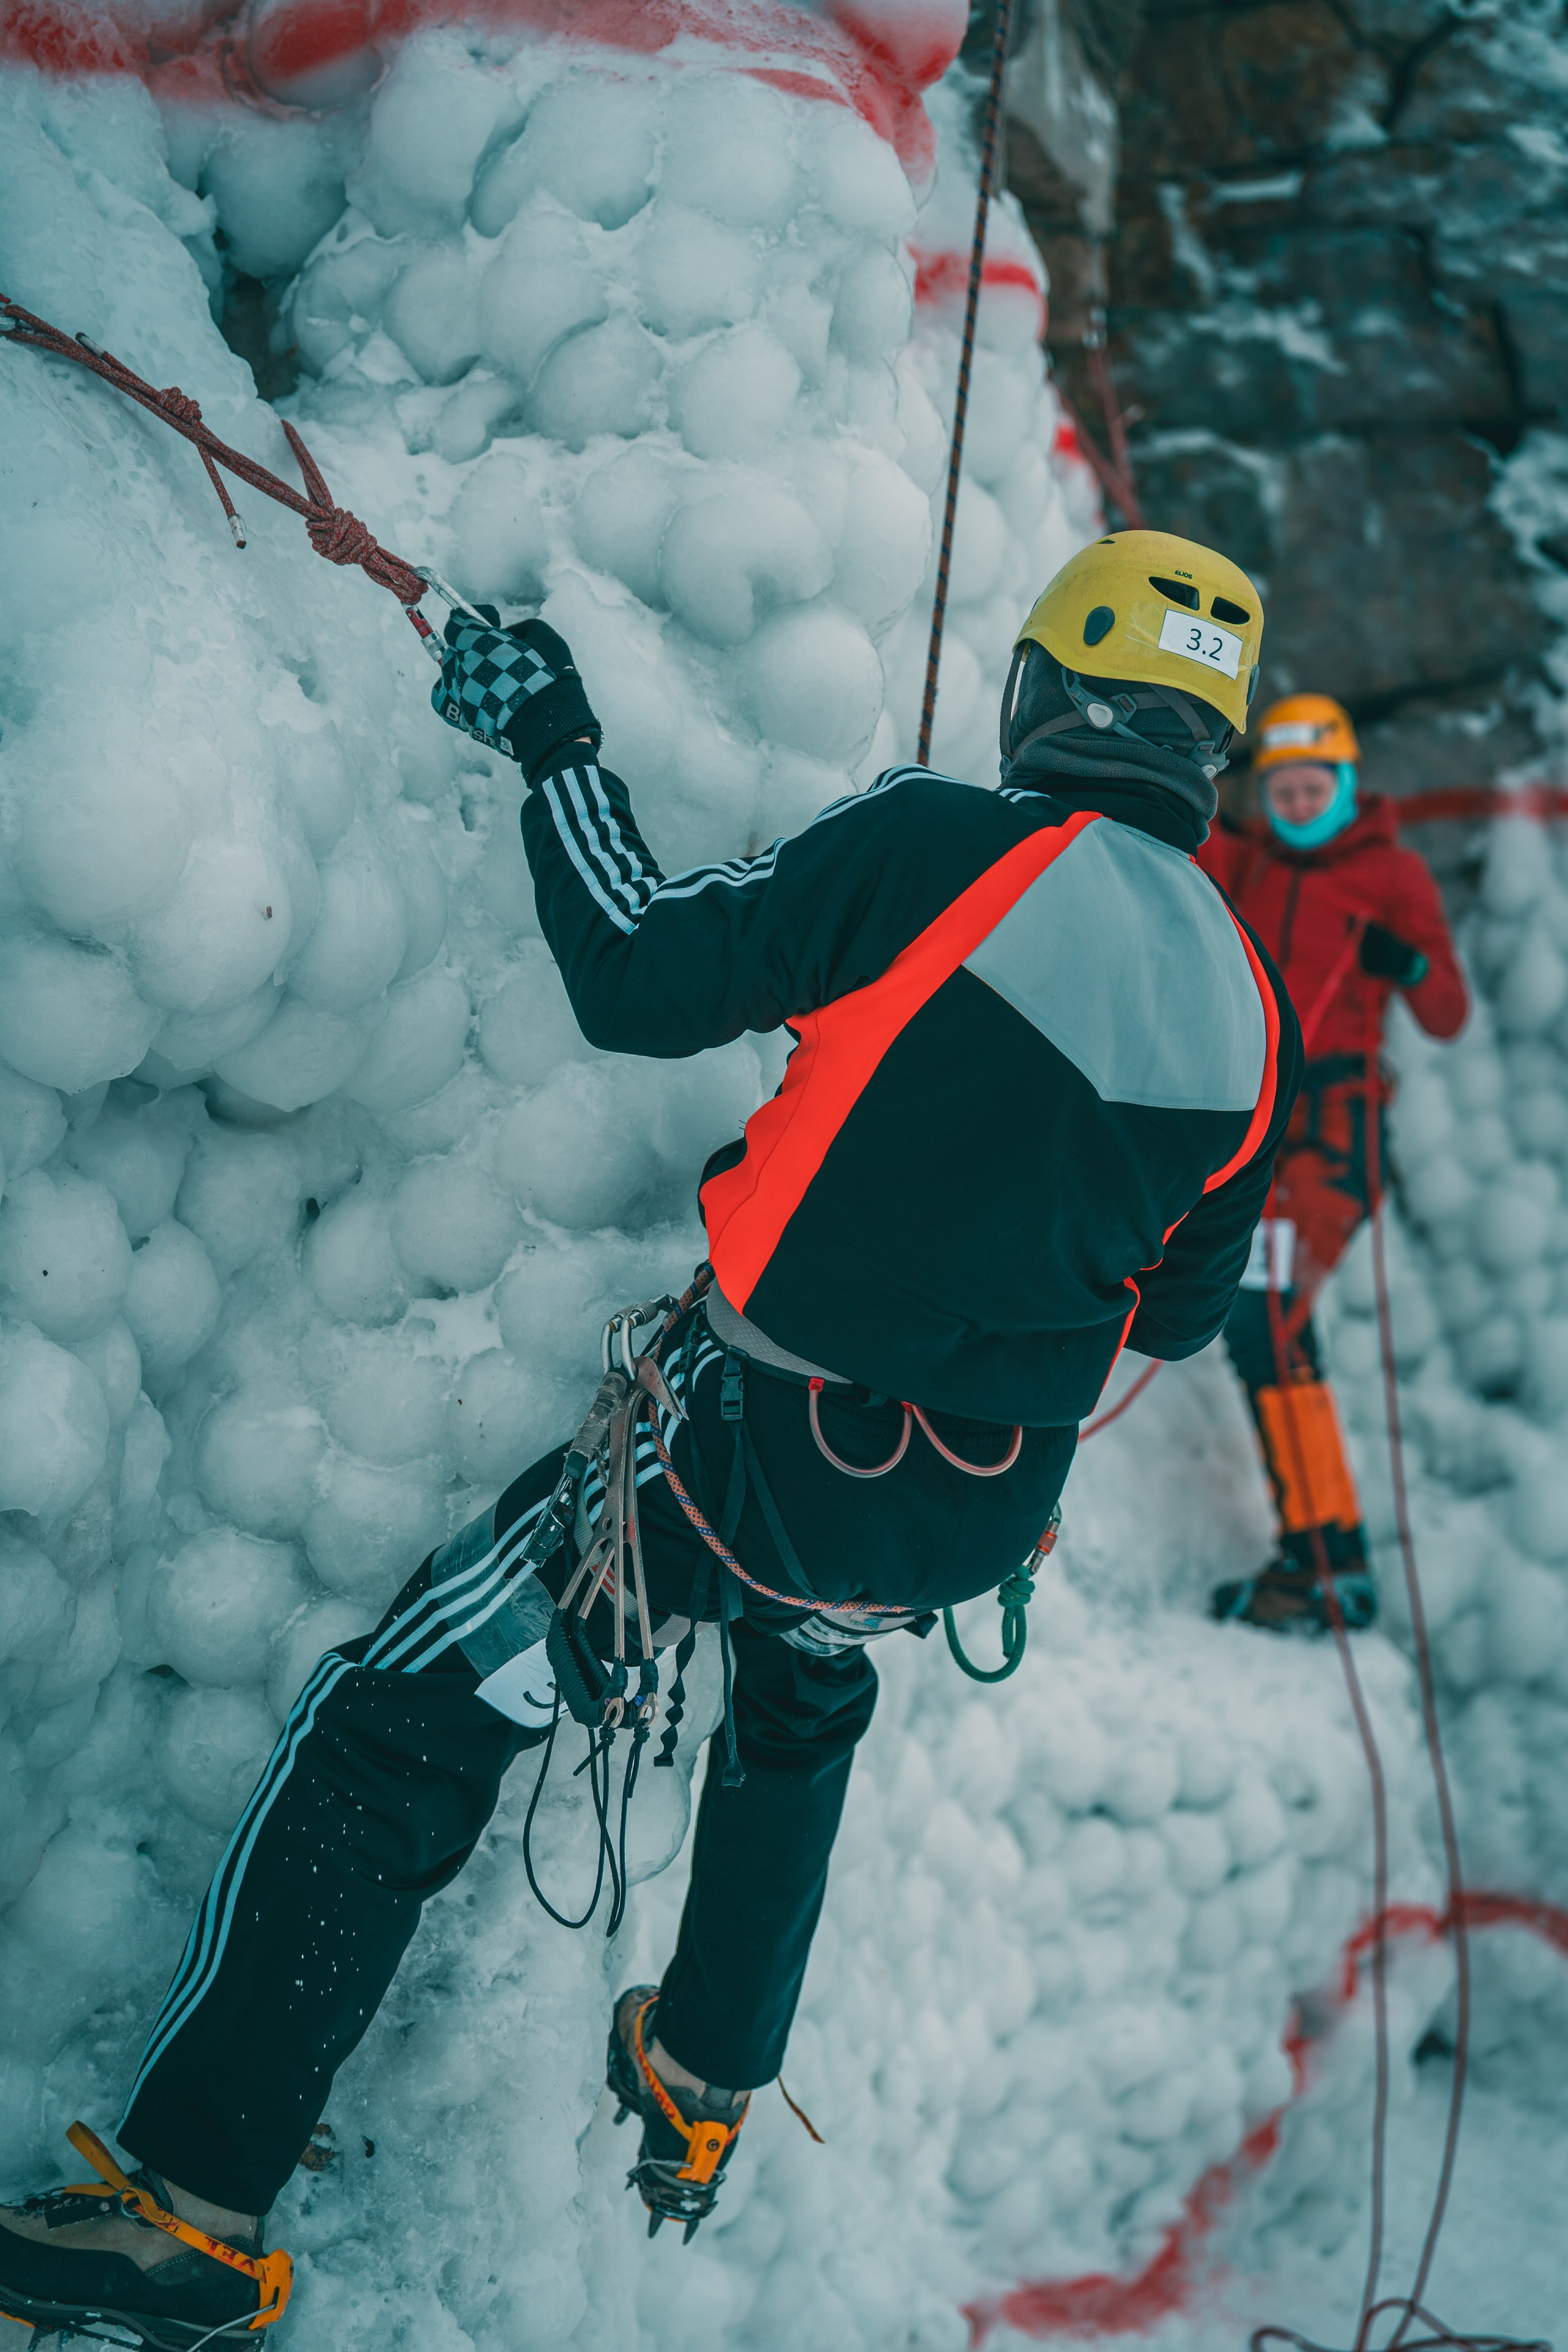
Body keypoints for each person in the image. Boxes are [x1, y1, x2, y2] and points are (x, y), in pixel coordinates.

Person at [0, 530, 1302, 2348]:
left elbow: (636, 969)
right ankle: (698, 2089)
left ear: (1045, 686)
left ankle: (193, 2207)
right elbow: (1169, 1311)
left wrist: (555, 743)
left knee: (398, 1721)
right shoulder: (1257, 1011)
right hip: (960, 1516)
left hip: (750, 1441)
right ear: (1212, 746)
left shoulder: (947, 842)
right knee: (803, 1701)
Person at [1197, 693, 1468, 1632]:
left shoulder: (1390, 873)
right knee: (1263, 1327)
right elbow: (1184, 831)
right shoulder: (1253, 862)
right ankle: (1327, 1555)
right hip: (1258, 1120)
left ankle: (1324, 1557)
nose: (1302, 801)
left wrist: (1412, 962)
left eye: (1318, 787)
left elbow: (1447, 1013)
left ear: (1348, 788)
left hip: (1337, 1131)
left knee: (1269, 1316)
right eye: (1286, 787)